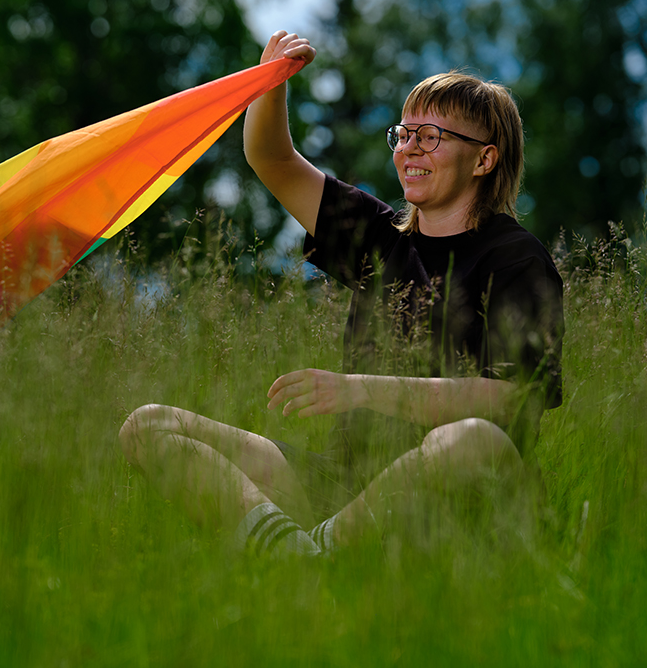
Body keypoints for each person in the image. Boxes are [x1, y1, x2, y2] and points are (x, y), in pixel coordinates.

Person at [119, 31, 564, 556]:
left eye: (432, 136)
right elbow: (272, 159)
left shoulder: (517, 259)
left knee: (473, 439)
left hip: (455, 501)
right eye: (404, 133)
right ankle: (298, 556)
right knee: (148, 426)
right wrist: (272, 83)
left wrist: (361, 388)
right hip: (345, 492)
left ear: (484, 160)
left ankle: (320, 556)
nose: (408, 149)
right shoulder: (377, 235)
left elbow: (511, 402)